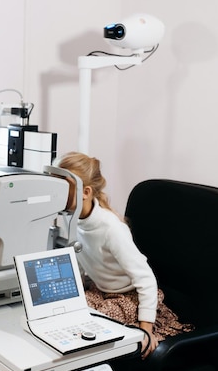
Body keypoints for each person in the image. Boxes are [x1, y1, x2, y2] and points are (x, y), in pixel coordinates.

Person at [54, 152, 192, 360]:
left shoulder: (111, 229)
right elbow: (82, 257)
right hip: (100, 291)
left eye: (62, 190)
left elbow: (146, 279)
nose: (56, 196)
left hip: (129, 296)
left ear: (86, 192)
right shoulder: (73, 220)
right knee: (62, 313)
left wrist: (146, 329)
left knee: (92, 326)